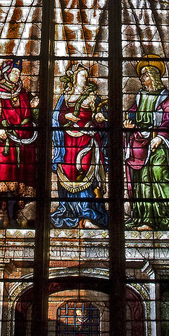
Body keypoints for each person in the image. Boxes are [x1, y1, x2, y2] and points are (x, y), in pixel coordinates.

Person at [123, 56, 169, 231]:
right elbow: (132, 115)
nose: (143, 79)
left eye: (146, 75)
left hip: (160, 143)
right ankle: (146, 219)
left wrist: (160, 136)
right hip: (142, 143)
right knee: (143, 177)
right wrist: (129, 124)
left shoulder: (166, 99)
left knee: (158, 171)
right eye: (141, 76)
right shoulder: (141, 97)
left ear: (154, 76)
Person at [0, 59, 39, 227]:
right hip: (3, 147)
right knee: (0, 182)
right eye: (14, 72)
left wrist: (35, 107)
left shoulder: (23, 93)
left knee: (14, 186)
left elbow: (31, 117)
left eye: (19, 73)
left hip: (19, 145)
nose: (17, 75)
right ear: (6, 74)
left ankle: (12, 219)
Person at [51, 64, 108, 229]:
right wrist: (65, 116)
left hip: (86, 140)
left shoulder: (92, 96)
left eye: (86, 76)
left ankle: (86, 213)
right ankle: (69, 211)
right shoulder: (66, 95)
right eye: (82, 75)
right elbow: (56, 116)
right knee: (68, 173)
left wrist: (99, 118)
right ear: (74, 77)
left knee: (84, 173)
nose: (85, 78)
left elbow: (102, 115)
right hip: (67, 142)